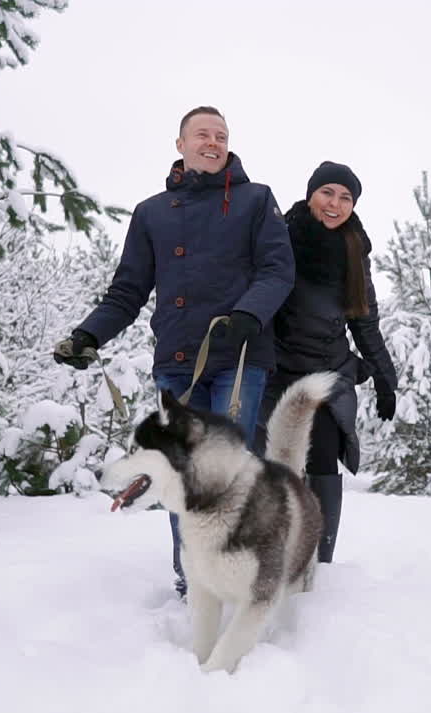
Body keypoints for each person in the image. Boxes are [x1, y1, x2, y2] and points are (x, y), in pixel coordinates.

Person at [54, 106, 294, 598]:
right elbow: (128, 290)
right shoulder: (153, 213)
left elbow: (277, 270)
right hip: (179, 359)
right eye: (202, 134)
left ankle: (237, 570)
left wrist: (248, 316)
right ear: (180, 144)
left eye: (222, 135)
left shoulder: (256, 200)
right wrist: (89, 335)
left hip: (242, 356)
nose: (213, 142)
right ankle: (194, 579)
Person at [259, 161, 399, 563]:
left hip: (327, 371)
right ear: (310, 195)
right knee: (273, 460)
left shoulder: (356, 251)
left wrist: (386, 380)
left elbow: (365, 321)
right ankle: (268, 552)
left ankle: (319, 560)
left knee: (321, 455)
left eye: (346, 198)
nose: (335, 204)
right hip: (277, 370)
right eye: (328, 193)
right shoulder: (281, 239)